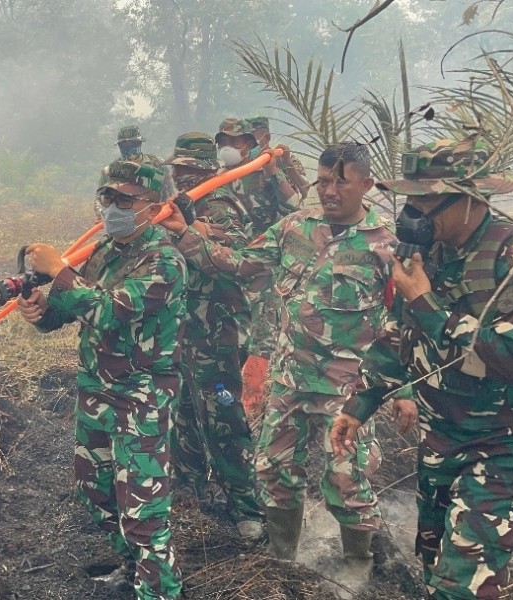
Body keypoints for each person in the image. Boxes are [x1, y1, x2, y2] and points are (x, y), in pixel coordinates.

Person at [158, 142, 397, 590]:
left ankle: (357, 567)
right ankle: (282, 556)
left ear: (366, 183)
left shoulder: (385, 247)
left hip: (345, 393)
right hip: (289, 381)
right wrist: (184, 233)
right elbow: (237, 264)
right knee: (273, 469)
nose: (328, 191)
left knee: (347, 478)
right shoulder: (294, 227)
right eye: (323, 181)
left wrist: (398, 391)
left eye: (340, 182)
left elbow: (397, 328)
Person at [331, 137, 513, 600]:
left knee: (463, 587)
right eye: (409, 199)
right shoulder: (427, 251)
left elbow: (511, 357)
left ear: (469, 200)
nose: (412, 212)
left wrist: (427, 303)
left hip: (499, 448)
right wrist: (359, 405)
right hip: (438, 443)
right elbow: (399, 337)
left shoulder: (507, 256)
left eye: (426, 199)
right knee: (434, 571)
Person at [17, 157, 186, 600]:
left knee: (143, 510)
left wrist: (59, 271)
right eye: (108, 196)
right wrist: (40, 310)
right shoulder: (106, 252)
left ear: (154, 206)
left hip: (141, 394)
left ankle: (160, 591)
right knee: (95, 490)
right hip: (97, 389)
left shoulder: (165, 261)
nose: (113, 206)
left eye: (126, 199)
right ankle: (133, 572)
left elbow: (110, 309)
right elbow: (74, 308)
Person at [163, 132, 263, 540]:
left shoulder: (222, 209)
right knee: (183, 410)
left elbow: (238, 264)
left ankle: (246, 506)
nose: (182, 177)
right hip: (183, 331)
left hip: (218, 335)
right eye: (178, 170)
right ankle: (188, 487)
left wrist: (188, 232)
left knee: (223, 417)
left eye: (190, 170)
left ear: (207, 170)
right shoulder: (173, 210)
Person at [215, 118, 302, 418]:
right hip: (227, 263)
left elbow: (295, 208)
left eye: (235, 142)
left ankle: (255, 406)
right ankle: (230, 400)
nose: (228, 148)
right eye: (223, 142)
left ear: (251, 143)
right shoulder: (219, 176)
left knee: (262, 334)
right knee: (230, 331)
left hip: (264, 263)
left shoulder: (268, 168)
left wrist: (275, 171)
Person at [248, 116, 312, 203]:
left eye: (253, 140)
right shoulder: (245, 166)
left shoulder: (285, 159)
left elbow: (304, 189)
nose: (250, 144)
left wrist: (287, 163)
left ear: (267, 137)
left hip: (290, 214)